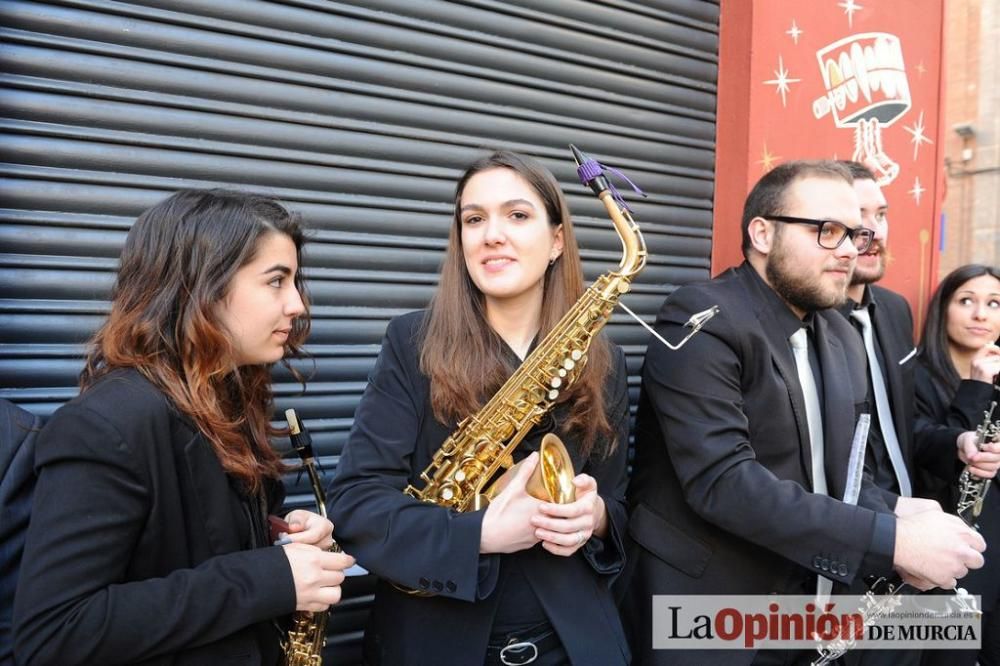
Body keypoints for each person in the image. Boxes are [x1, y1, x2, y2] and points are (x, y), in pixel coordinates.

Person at [619, 160, 987, 666]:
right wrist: (893, 540)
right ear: (763, 233)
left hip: (806, 613)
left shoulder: (839, 335)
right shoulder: (701, 318)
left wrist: (898, 509)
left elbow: (834, 474)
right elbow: (723, 481)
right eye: (827, 231)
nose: (848, 250)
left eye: (854, 234)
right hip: (705, 613)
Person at [12, 190, 355, 665]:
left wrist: (280, 538)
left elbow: (189, 548)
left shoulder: (226, 400)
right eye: (277, 281)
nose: (297, 304)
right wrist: (269, 578)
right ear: (201, 288)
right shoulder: (104, 426)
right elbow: (53, 633)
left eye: (296, 281)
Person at [328, 150, 631, 665]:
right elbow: (356, 505)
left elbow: (619, 504)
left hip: (573, 643)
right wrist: (480, 534)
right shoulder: (412, 342)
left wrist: (596, 516)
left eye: (517, 215)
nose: (491, 234)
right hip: (438, 641)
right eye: (474, 219)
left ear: (557, 240)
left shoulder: (603, 357)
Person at [914, 264, 1000, 666]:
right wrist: (978, 387)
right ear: (943, 310)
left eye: (994, 304)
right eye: (967, 301)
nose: (981, 314)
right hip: (943, 554)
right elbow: (938, 458)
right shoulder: (916, 377)